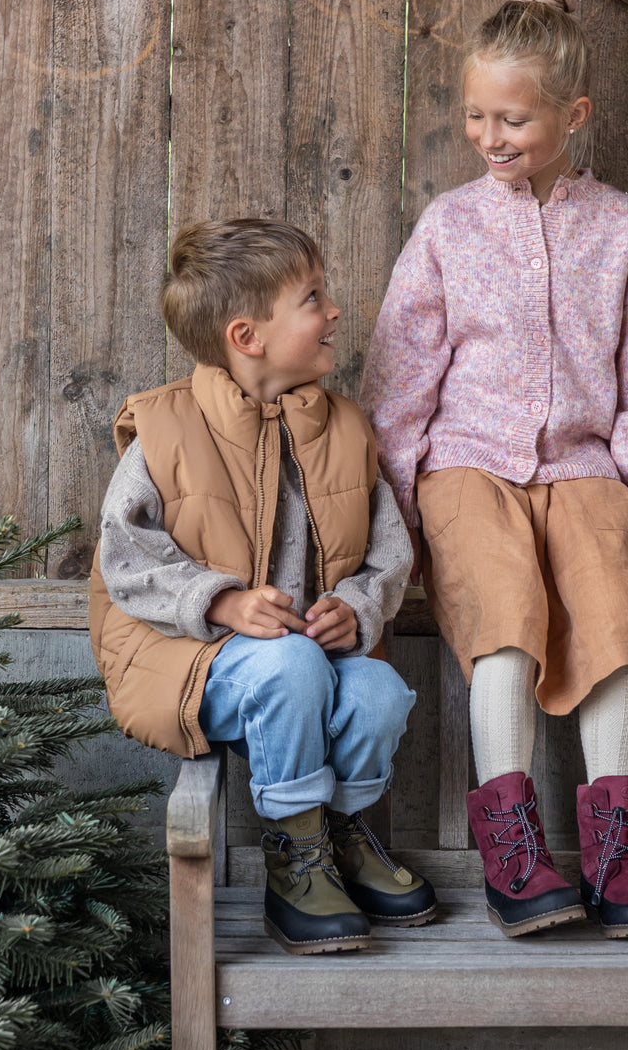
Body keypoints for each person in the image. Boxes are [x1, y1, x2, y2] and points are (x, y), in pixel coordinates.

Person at [362, 0, 628, 939]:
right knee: (503, 617)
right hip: (466, 467)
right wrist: (395, 514)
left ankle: (614, 851)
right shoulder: (448, 230)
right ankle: (513, 849)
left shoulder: (625, 234)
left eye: (512, 119)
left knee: (613, 626)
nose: (489, 137)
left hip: (587, 468)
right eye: (476, 116)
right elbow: (398, 384)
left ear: (575, 116)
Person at [89, 217, 436, 956]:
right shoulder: (165, 426)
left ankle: (342, 833)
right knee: (290, 663)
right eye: (313, 299)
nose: (335, 310)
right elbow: (126, 557)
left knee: (374, 689)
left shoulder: (345, 428)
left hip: (304, 660)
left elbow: (388, 554)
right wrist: (218, 601)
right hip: (188, 659)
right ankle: (294, 857)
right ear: (248, 336)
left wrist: (357, 608)